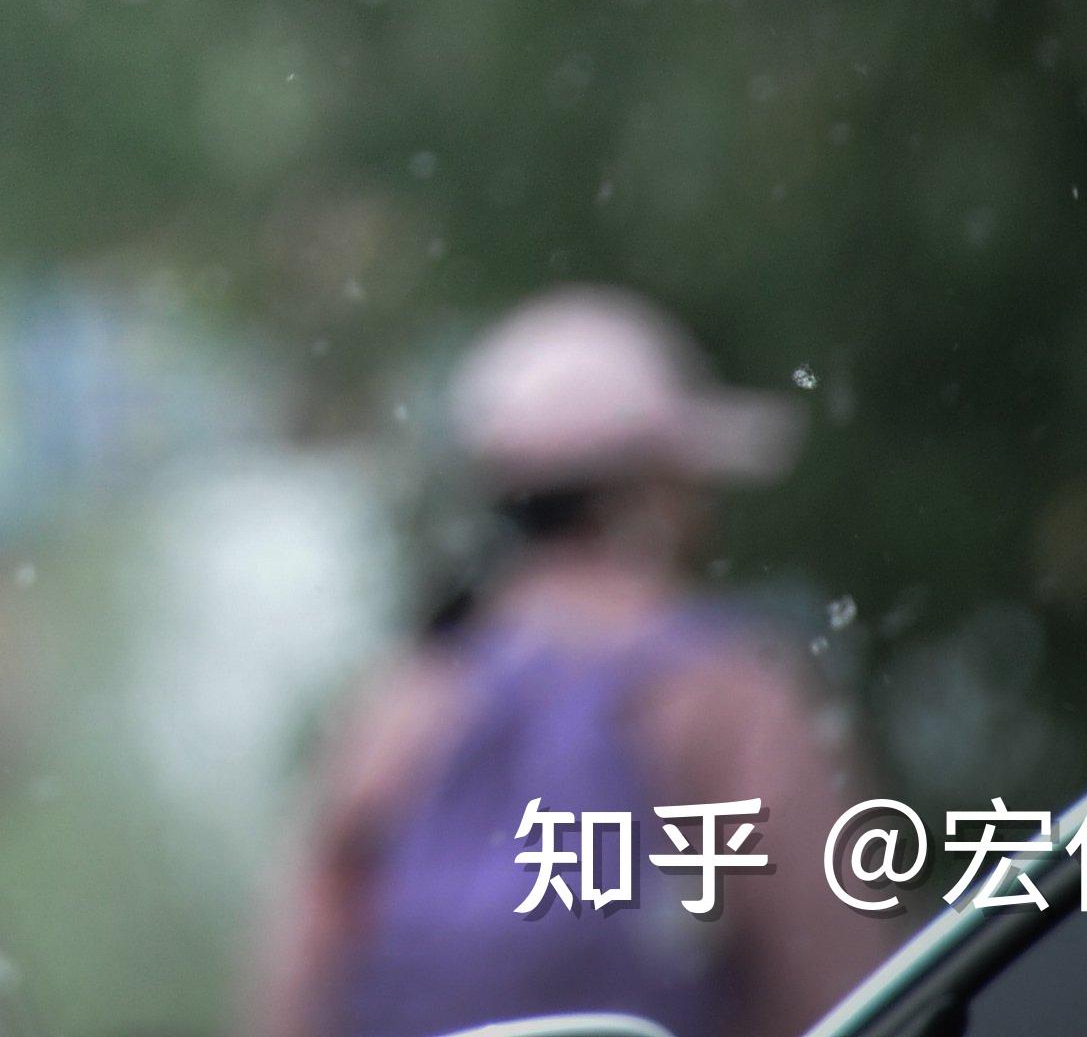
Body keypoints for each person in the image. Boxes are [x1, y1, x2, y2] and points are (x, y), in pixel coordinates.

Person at [249, 287, 895, 1037]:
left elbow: (295, 985)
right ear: (651, 494)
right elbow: (845, 983)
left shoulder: (406, 703)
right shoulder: (726, 693)